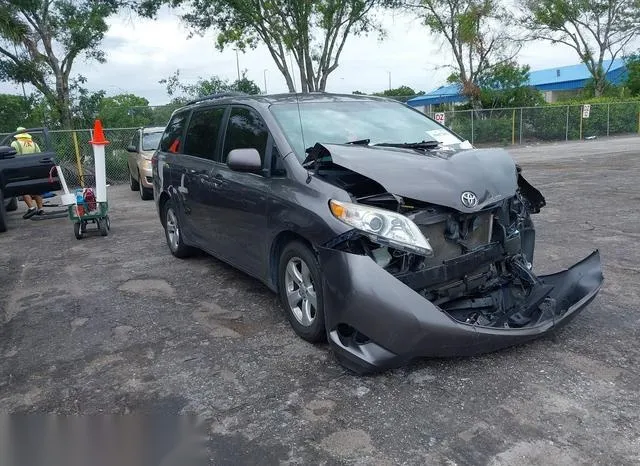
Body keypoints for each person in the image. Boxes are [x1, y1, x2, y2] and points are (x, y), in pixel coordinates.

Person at [11, 127, 45, 219]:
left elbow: (12, 156)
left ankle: (31, 207)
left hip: (22, 168)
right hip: (34, 168)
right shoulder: (34, 144)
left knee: (23, 188)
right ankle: (40, 209)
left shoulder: (15, 143)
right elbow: (39, 155)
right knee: (36, 189)